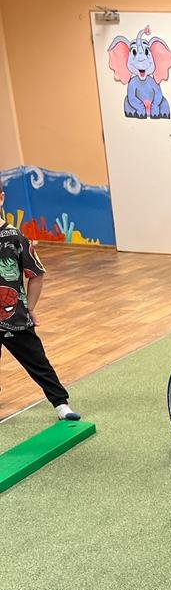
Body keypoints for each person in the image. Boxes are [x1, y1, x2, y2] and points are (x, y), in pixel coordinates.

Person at [0, 180, 80, 421]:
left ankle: (61, 404)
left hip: (14, 317)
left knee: (37, 361)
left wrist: (30, 307)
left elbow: (36, 274)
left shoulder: (15, 237)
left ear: (1, 198)